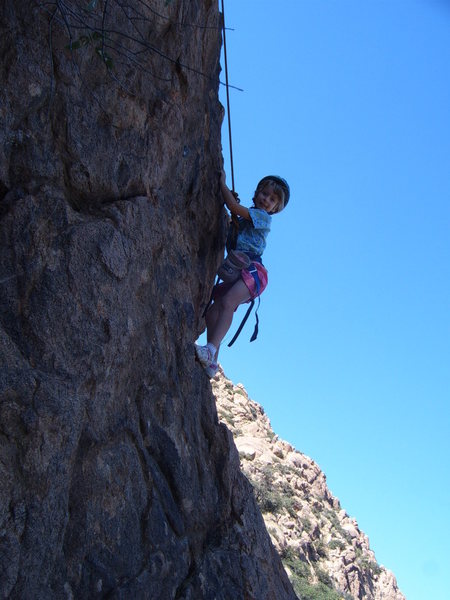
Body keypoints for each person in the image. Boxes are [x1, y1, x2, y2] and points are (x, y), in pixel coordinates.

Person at [195, 169, 290, 377]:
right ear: (256, 194)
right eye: (265, 194)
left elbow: (233, 206)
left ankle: (210, 349)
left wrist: (222, 185)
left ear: (274, 209)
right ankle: (212, 361)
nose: (267, 200)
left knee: (228, 302)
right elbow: (232, 216)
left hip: (253, 271)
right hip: (238, 269)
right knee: (212, 312)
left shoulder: (263, 218)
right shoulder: (244, 220)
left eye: (272, 199)